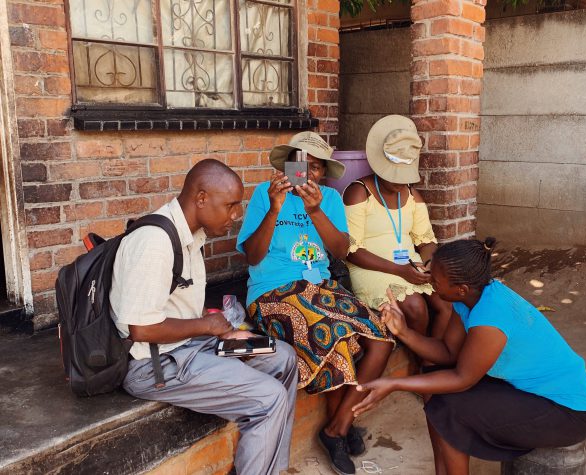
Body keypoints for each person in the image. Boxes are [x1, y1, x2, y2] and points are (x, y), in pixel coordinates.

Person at [110, 159, 298, 475]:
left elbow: (177, 307)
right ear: (201, 198)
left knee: (283, 357)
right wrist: (209, 326)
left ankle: (269, 469)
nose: (236, 215)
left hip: (185, 347)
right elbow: (140, 328)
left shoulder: (190, 234)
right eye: (230, 205)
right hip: (152, 364)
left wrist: (223, 333)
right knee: (269, 398)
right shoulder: (153, 242)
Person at [352, 238, 586, 475]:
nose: (430, 283)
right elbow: (448, 353)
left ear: (461, 289)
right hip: (532, 392)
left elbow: (462, 379)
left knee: (449, 407)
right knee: (436, 386)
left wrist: (394, 383)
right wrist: (403, 331)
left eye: (435, 280)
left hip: (567, 413)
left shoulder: (489, 317)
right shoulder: (469, 299)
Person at [237, 132, 395, 475]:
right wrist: (275, 208)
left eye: (315, 168)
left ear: (323, 173)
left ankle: (337, 424)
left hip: (321, 288)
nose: (307, 173)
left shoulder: (331, 199)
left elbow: (340, 251)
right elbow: (252, 255)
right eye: (300, 165)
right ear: (287, 166)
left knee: (379, 336)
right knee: (338, 338)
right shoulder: (265, 195)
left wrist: (316, 210)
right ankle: (339, 431)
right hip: (272, 293)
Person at [343, 115, 452, 341]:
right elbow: (351, 250)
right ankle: (414, 368)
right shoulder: (358, 192)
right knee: (416, 307)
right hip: (371, 269)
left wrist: (429, 264)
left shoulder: (414, 196)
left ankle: (430, 361)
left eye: (405, 177)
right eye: (395, 176)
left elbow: (426, 241)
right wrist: (400, 270)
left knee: (447, 304)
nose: (401, 182)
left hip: (410, 266)